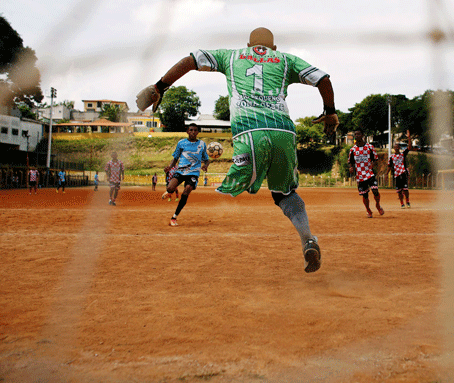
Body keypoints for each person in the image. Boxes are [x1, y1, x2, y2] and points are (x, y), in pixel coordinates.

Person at [137, 27, 339, 273]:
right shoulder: (286, 60)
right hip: (283, 133)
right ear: (273, 48)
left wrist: (160, 86)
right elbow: (323, 80)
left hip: (249, 132)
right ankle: (308, 239)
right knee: (284, 194)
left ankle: (221, 186)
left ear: (248, 45)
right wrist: (329, 113)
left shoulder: (231, 56)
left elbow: (190, 60)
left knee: (234, 185)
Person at [161, 123, 210, 226]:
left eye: (195, 130)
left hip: (193, 172)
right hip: (181, 171)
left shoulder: (202, 144)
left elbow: (206, 159)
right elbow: (175, 157)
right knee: (170, 188)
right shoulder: (181, 143)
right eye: (191, 130)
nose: (193, 132)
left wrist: (205, 166)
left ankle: (174, 217)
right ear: (187, 131)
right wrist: (170, 167)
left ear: (198, 132)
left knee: (186, 190)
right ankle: (169, 191)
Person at [348, 129, 385, 218]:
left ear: (362, 135)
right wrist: (351, 167)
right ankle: (368, 210)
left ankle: (378, 205)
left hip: (369, 173)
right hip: (360, 176)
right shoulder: (353, 150)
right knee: (365, 195)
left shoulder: (370, 147)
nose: (357, 136)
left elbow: (375, 159)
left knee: (375, 191)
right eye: (355, 134)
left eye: (358, 134)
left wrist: (373, 164)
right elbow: (350, 161)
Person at [385, 130, 412, 208]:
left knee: (406, 189)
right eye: (395, 147)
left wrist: (409, 138)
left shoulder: (403, 154)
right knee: (399, 191)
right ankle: (402, 203)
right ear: (394, 148)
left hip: (403, 173)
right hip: (396, 175)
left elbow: (409, 147)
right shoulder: (391, 157)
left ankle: (407, 201)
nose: (396, 148)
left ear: (399, 148)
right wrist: (386, 174)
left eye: (397, 147)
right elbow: (389, 166)